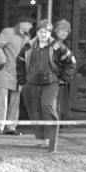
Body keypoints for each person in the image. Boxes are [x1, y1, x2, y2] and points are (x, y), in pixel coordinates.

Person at [16, 20, 76, 148]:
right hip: (31, 82)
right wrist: (22, 80)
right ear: (37, 32)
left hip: (51, 82)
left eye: (47, 32)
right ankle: (40, 138)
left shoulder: (57, 46)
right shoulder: (28, 46)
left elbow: (71, 62)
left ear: (50, 33)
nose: (44, 34)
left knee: (47, 107)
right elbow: (20, 62)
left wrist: (64, 78)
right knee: (34, 110)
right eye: (41, 32)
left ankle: (50, 138)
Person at [0, 15, 34, 136]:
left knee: (15, 101)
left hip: (18, 74)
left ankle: (10, 127)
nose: (31, 26)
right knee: (2, 100)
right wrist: (2, 59)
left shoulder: (27, 37)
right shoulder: (7, 32)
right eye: (29, 23)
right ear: (21, 23)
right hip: (4, 71)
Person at [53, 19, 73, 118]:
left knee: (59, 103)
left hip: (61, 78)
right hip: (53, 77)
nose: (64, 33)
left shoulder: (65, 44)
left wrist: (64, 77)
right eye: (62, 30)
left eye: (66, 31)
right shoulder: (52, 44)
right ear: (56, 30)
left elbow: (70, 63)